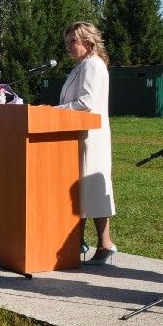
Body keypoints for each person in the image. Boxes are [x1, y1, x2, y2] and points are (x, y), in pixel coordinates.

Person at [58, 21, 117, 264]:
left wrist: (54, 111)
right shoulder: (80, 66)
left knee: (91, 192)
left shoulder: (93, 64)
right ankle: (78, 242)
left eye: (74, 41)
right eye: (67, 42)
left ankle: (105, 245)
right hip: (78, 136)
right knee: (81, 193)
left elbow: (86, 103)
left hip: (90, 137)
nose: (69, 46)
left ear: (88, 42)